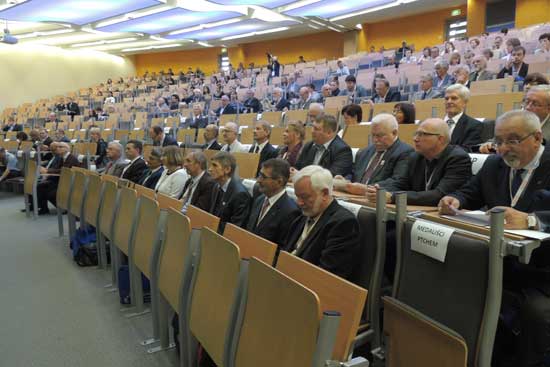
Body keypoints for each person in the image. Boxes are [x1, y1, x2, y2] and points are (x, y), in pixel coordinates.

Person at [438, 110, 550, 367]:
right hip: (497, 260)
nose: (502, 149)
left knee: (535, 313)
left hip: (541, 270)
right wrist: (456, 199)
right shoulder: (494, 164)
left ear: (537, 138)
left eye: (512, 140)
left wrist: (533, 219)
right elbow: (471, 192)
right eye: (498, 141)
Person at [366, 118, 472, 206]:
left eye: (422, 134)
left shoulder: (458, 158)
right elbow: (401, 183)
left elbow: (440, 195)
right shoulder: (416, 157)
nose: (415, 139)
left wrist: (393, 197)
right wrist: (377, 190)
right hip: (419, 213)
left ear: (440, 139)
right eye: (416, 134)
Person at [283, 165, 360, 280]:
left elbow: (327, 276)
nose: (299, 203)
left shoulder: (343, 223)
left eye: (304, 197)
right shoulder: (305, 213)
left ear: (324, 193)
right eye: (297, 196)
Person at [340, 113, 413, 195]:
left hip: (377, 200)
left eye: (380, 135)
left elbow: (398, 182)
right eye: (373, 135)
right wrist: (345, 180)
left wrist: (366, 189)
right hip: (353, 197)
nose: (375, 140)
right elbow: (354, 172)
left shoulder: (405, 152)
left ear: (394, 133)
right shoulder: (365, 151)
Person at [246, 158, 300, 247]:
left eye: (263, 177)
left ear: (279, 181)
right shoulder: (259, 200)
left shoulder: (290, 211)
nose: (258, 180)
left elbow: (281, 249)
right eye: (259, 175)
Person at [208, 151, 251, 233]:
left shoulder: (240, 194)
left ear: (227, 169)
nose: (210, 169)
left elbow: (234, 228)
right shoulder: (216, 186)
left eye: (215, 165)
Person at [36, 142, 81, 214]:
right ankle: (43, 208)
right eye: (58, 147)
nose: (58, 148)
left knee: (50, 193)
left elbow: (63, 171)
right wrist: (48, 174)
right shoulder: (61, 157)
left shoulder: (71, 158)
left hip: (69, 182)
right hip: (60, 180)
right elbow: (57, 169)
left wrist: (47, 171)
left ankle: (63, 208)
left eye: (60, 147)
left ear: (66, 149)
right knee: (40, 186)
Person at [443, 84, 483, 151]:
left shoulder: (474, 125)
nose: (449, 101)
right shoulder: (435, 124)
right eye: (446, 99)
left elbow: (468, 150)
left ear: (465, 102)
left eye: (454, 98)